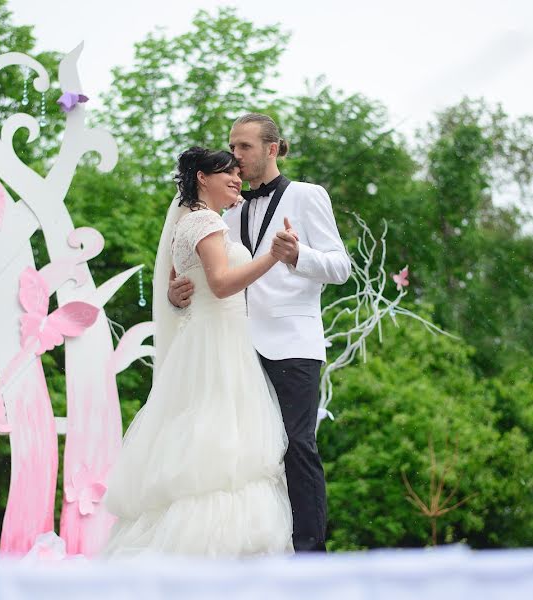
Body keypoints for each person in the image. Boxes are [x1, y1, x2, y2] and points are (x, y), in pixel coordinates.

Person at [168, 114, 351, 552]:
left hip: (292, 343)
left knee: (297, 447)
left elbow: (341, 268)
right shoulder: (224, 207)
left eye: (244, 147)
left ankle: (309, 555)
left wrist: (297, 254)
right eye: (232, 147)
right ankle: (256, 548)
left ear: (272, 149)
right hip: (234, 346)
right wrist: (178, 294)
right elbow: (210, 271)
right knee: (244, 451)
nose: (236, 155)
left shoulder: (307, 196)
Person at [101, 147, 293, 557]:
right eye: (227, 172)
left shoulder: (189, 221)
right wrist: (272, 257)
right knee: (223, 446)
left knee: (201, 439)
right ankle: (218, 552)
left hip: (205, 337)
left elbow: (179, 281)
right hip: (219, 341)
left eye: (238, 172)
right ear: (202, 178)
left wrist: (174, 294)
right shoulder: (205, 220)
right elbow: (222, 284)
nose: (237, 179)